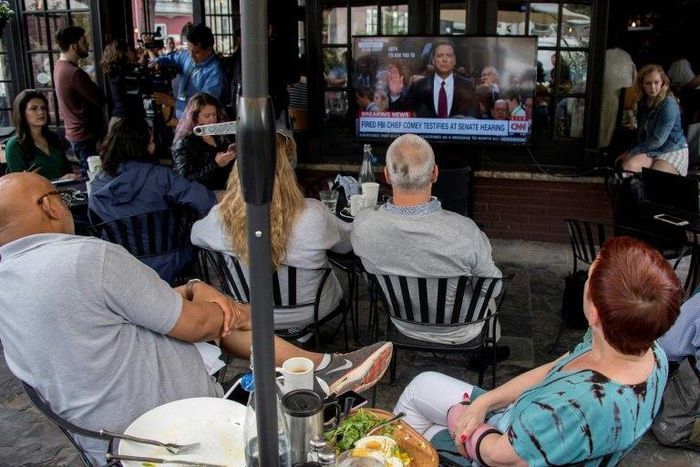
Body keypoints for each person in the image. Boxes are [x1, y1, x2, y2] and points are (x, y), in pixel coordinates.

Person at [0, 171, 394, 465]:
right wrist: (218, 303)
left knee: (219, 314)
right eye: (61, 196)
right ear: (49, 205)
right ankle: (321, 367)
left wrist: (195, 288)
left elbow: (103, 311)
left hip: (100, 439)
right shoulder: (86, 258)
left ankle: (320, 367)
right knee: (225, 321)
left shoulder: (13, 282)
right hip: (174, 427)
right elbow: (199, 325)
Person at [395, 236, 681, 466]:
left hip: (505, 446)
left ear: (594, 313)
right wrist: (486, 401)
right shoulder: (644, 347)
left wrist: (461, 418)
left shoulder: (579, 405)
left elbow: (498, 456)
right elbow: (557, 368)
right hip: (528, 427)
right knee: (422, 386)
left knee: (410, 430)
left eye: (588, 279)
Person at [351, 134, 503, 346]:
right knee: (484, 286)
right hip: (460, 328)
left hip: (402, 323)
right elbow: (493, 287)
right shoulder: (465, 231)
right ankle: (489, 347)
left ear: (386, 175)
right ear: (435, 173)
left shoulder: (363, 226)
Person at [191, 130, 351, 330]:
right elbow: (346, 245)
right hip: (311, 310)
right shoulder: (315, 213)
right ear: (288, 168)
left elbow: (195, 236)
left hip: (247, 309)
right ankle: (299, 334)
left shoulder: (220, 216)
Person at [89, 118, 216, 283]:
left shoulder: (99, 181)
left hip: (121, 262)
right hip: (172, 258)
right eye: (152, 141)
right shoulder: (161, 176)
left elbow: (94, 223)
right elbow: (206, 201)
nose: (154, 145)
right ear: (143, 145)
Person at [53, 26, 107, 175]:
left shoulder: (59, 66)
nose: (88, 44)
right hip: (85, 135)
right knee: (94, 178)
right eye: (84, 41)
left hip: (75, 134)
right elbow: (100, 99)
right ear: (73, 45)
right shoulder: (75, 73)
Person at [618, 64, 689, 176]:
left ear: (662, 82)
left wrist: (632, 152)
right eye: (648, 83)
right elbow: (640, 134)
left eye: (656, 82)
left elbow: (658, 139)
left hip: (671, 149)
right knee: (628, 167)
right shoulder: (643, 102)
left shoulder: (668, 103)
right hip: (651, 148)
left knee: (656, 177)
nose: (653, 87)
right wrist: (628, 151)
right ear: (642, 84)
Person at [152, 23, 226, 120]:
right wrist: (159, 62)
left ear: (209, 50)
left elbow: (205, 107)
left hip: (199, 125)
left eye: (197, 52)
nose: (191, 56)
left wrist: (174, 102)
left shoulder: (215, 72)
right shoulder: (187, 56)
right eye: (189, 50)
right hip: (181, 120)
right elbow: (171, 58)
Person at [388, 40, 477, 118]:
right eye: (440, 55)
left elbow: (475, 119)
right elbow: (401, 116)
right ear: (433, 60)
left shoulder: (467, 86)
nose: (444, 59)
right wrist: (395, 95)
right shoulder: (418, 86)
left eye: (449, 55)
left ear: (454, 60)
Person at [4, 90, 79, 181]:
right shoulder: (14, 146)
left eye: (43, 108)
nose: (40, 112)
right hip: (37, 194)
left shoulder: (52, 138)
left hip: (67, 191)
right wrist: (58, 180)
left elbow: (68, 171)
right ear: (22, 113)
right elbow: (21, 185)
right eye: (34, 108)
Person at [172, 93, 236, 191]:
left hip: (225, 188)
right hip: (202, 194)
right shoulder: (184, 142)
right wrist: (215, 164)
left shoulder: (220, 135)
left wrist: (233, 152)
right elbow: (185, 178)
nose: (212, 119)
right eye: (207, 116)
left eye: (214, 115)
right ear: (195, 117)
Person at [100, 39, 145, 125]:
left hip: (118, 118)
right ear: (122, 53)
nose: (133, 52)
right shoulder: (127, 73)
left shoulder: (114, 72)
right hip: (128, 121)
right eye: (129, 50)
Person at [599, 46, 636, 148]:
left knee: (602, 122)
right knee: (613, 123)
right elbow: (634, 79)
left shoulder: (603, 56)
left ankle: (601, 146)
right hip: (621, 97)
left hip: (603, 94)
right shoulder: (626, 56)